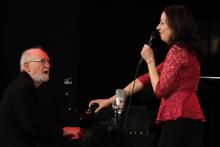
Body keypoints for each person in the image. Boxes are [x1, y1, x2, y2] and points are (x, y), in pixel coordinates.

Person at [89, 5, 206, 147]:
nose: (158, 27)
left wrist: (150, 60)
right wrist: (111, 100)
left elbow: (159, 90)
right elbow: (144, 79)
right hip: (191, 119)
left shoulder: (176, 52)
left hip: (179, 120)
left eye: (162, 23)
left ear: (176, 25)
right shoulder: (187, 51)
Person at [0, 47, 85, 147]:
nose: (48, 66)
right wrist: (63, 131)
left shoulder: (23, 84)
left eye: (48, 62)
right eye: (42, 61)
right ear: (27, 66)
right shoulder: (23, 87)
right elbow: (31, 127)